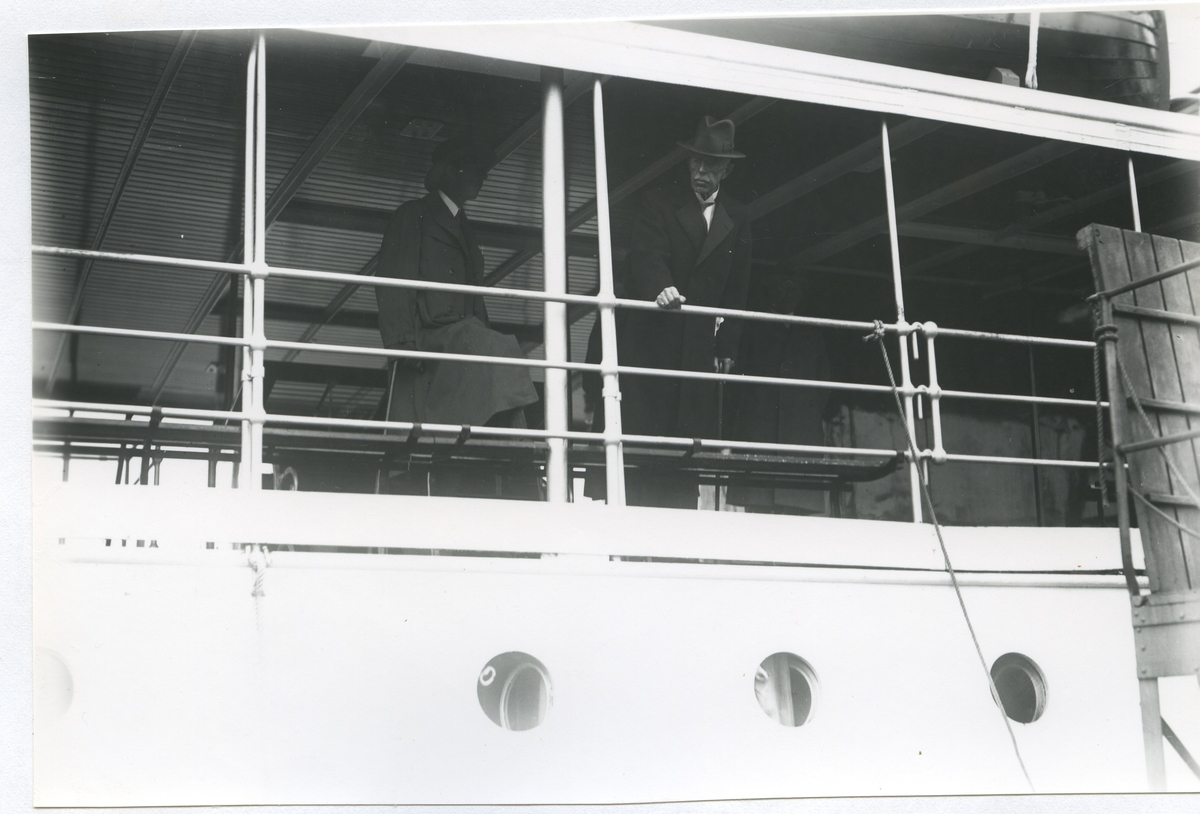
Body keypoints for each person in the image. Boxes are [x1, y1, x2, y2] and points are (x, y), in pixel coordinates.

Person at [616, 116, 753, 507]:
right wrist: (660, 288)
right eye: (696, 162)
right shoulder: (658, 203)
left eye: (711, 164)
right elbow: (646, 255)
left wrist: (727, 347)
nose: (701, 171)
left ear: (727, 170)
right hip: (653, 341)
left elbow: (737, 286)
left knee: (683, 455)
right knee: (643, 448)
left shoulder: (739, 216)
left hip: (696, 349)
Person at [375, 138, 538, 429]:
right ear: (449, 171)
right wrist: (402, 343)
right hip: (429, 334)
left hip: (461, 338)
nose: (482, 176)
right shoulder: (413, 214)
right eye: (473, 168)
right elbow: (393, 279)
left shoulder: (465, 228)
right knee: (499, 349)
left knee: (501, 355)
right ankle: (516, 443)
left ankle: (517, 447)